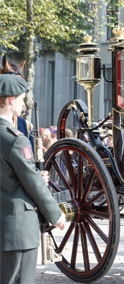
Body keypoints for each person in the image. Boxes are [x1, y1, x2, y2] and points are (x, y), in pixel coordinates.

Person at [0, 74, 66, 284]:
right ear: (10, 100)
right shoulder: (15, 140)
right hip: (17, 230)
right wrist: (56, 215)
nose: (24, 104)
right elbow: (32, 183)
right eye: (21, 98)